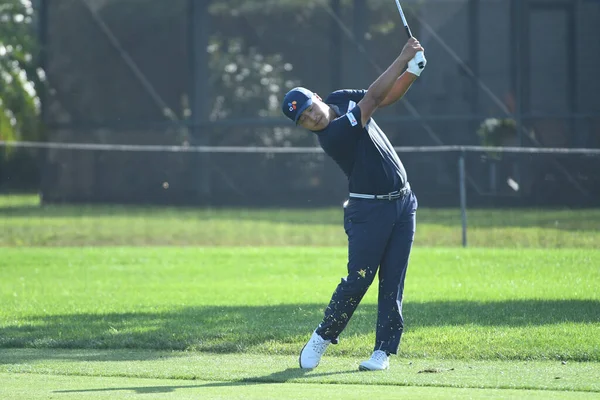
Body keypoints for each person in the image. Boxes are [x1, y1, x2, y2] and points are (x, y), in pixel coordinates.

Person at [280, 37, 426, 371]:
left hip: (404, 203)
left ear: (317, 97)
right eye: (303, 119)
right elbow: (373, 97)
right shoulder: (331, 136)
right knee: (359, 279)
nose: (311, 118)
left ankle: (382, 352)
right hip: (368, 211)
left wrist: (411, 73)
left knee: (393, 279)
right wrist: (403, 57)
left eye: (309, 109)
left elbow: (384, 98)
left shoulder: (340, 99)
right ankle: (322, 336)